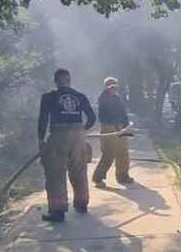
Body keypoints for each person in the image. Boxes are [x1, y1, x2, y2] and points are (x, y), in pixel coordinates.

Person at [38, 68, 96, 222]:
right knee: (79, 170)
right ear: (69, 80)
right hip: (78, 137)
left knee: (55, 173)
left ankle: (58, 212)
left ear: (56, 81)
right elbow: (92, 117)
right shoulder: (80, 96)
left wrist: (40, 139)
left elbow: (43, 118)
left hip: (59, 135)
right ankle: (81, 204)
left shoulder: (49, 97)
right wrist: (82, 130)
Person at [92, 77, 134, 187]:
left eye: (116, 85)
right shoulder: (103, 97)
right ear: (106, 86)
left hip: (121, 127)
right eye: (112, 85)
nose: (115, 87)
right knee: (109, 154)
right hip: (109, 128)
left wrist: (127, 125)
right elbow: (104, 112)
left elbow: (123, 112)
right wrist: (107, 91)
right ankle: (98, 177)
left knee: (123, 153)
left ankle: (123, 176)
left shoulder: (117, 98)